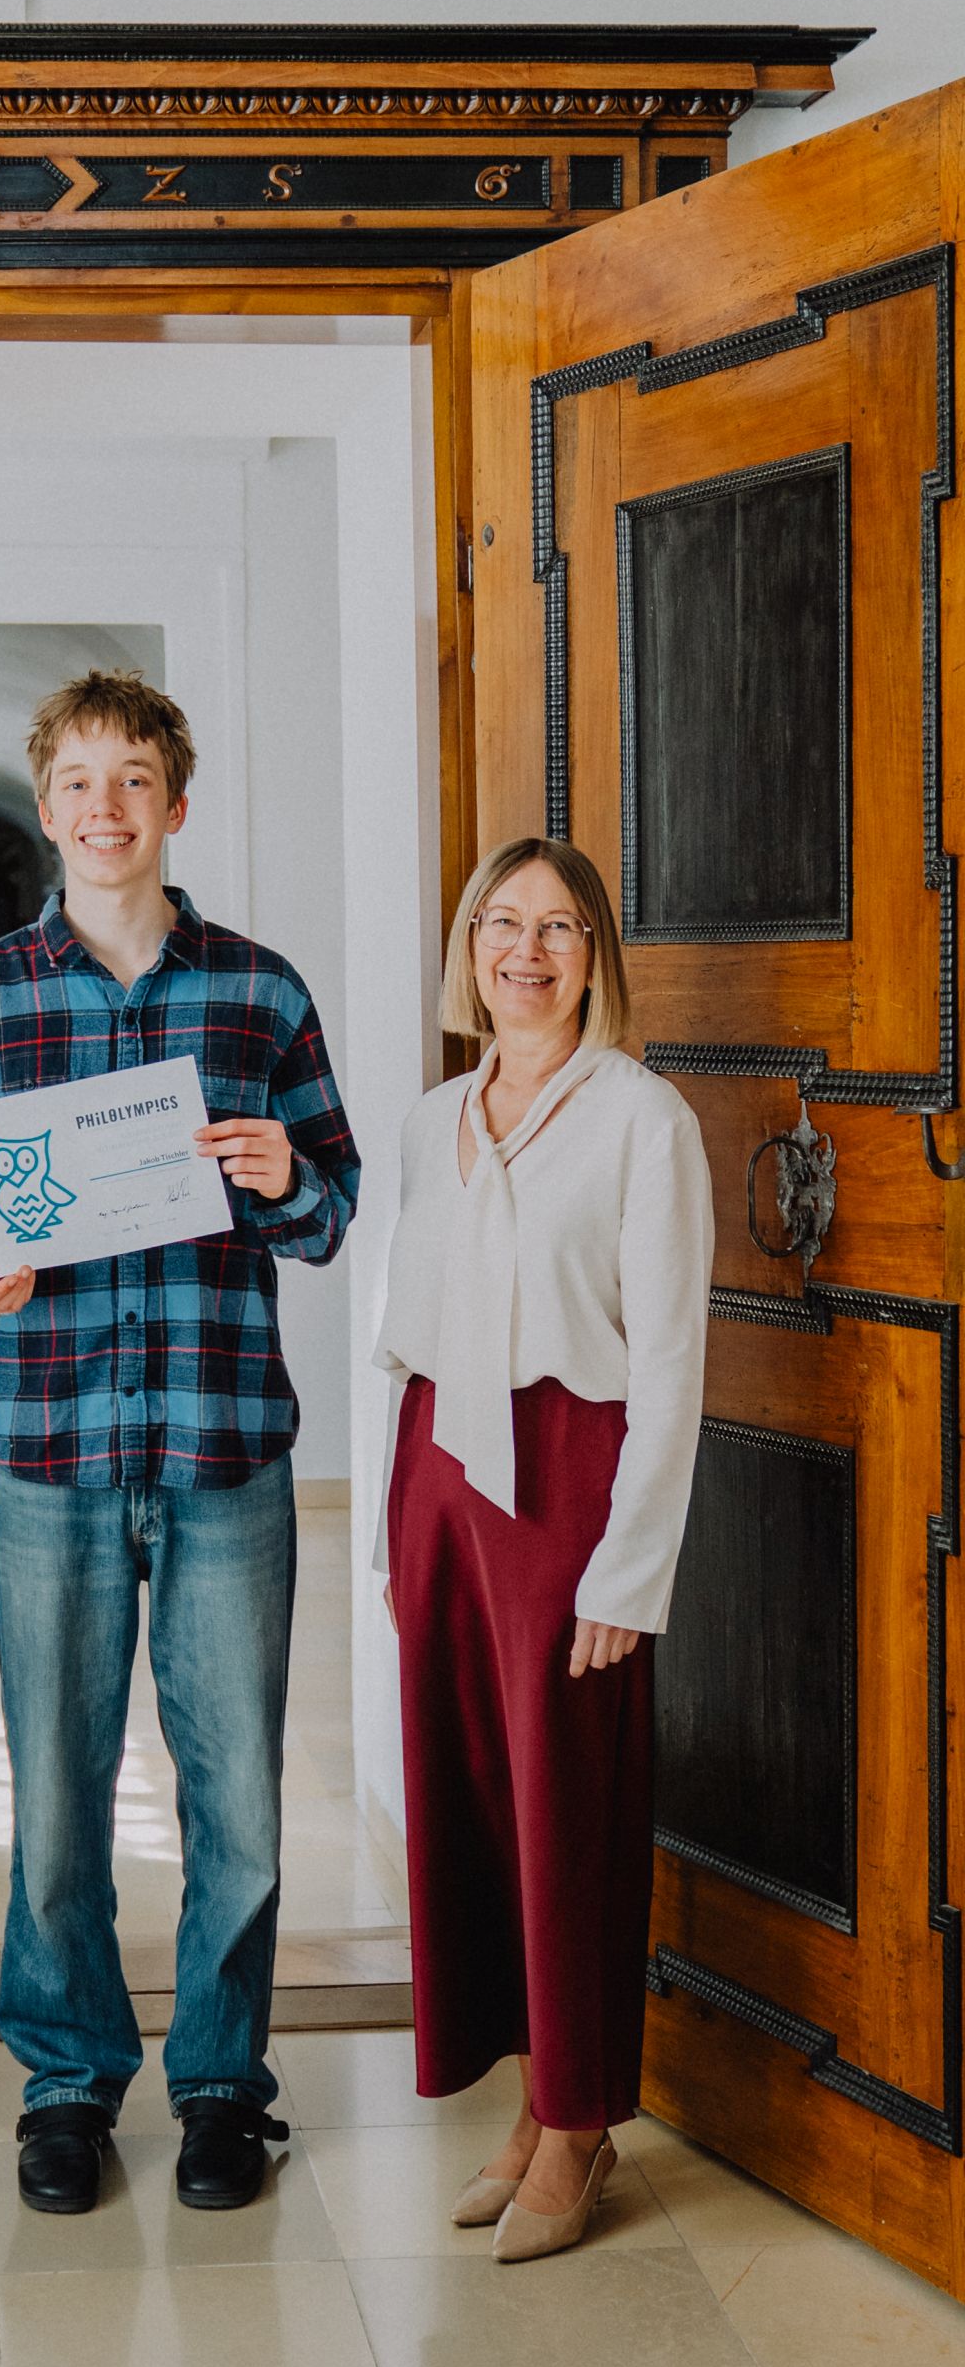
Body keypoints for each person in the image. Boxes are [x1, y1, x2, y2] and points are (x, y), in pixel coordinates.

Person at [0, 672, 360, 2215]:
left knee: (238, 1799)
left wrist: (286, 1174)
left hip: (225, 1443)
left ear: (177, 800)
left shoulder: (261, 993)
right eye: (79, 782)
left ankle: (223, 2083)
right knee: (56, 1793)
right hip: (55, 1448)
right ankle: (68, 2082)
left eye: (134, 780)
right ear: (46, 807)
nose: (106, 808)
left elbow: (331, 1208)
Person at [376, 837, 713, 2260]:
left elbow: (673, 1361)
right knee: (471, 1801)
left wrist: (629, 1568)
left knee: (568, 1807)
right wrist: (395, 1531)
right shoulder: (433, 1117)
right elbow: (407, 1324)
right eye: (504, 924)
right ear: (471, 949)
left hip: (569, 1480)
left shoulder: (644, 1121)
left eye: (560, 928)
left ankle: (581, 2125)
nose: (528, 950)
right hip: (442, 1476)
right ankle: (531, 2101)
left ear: (594, 960)